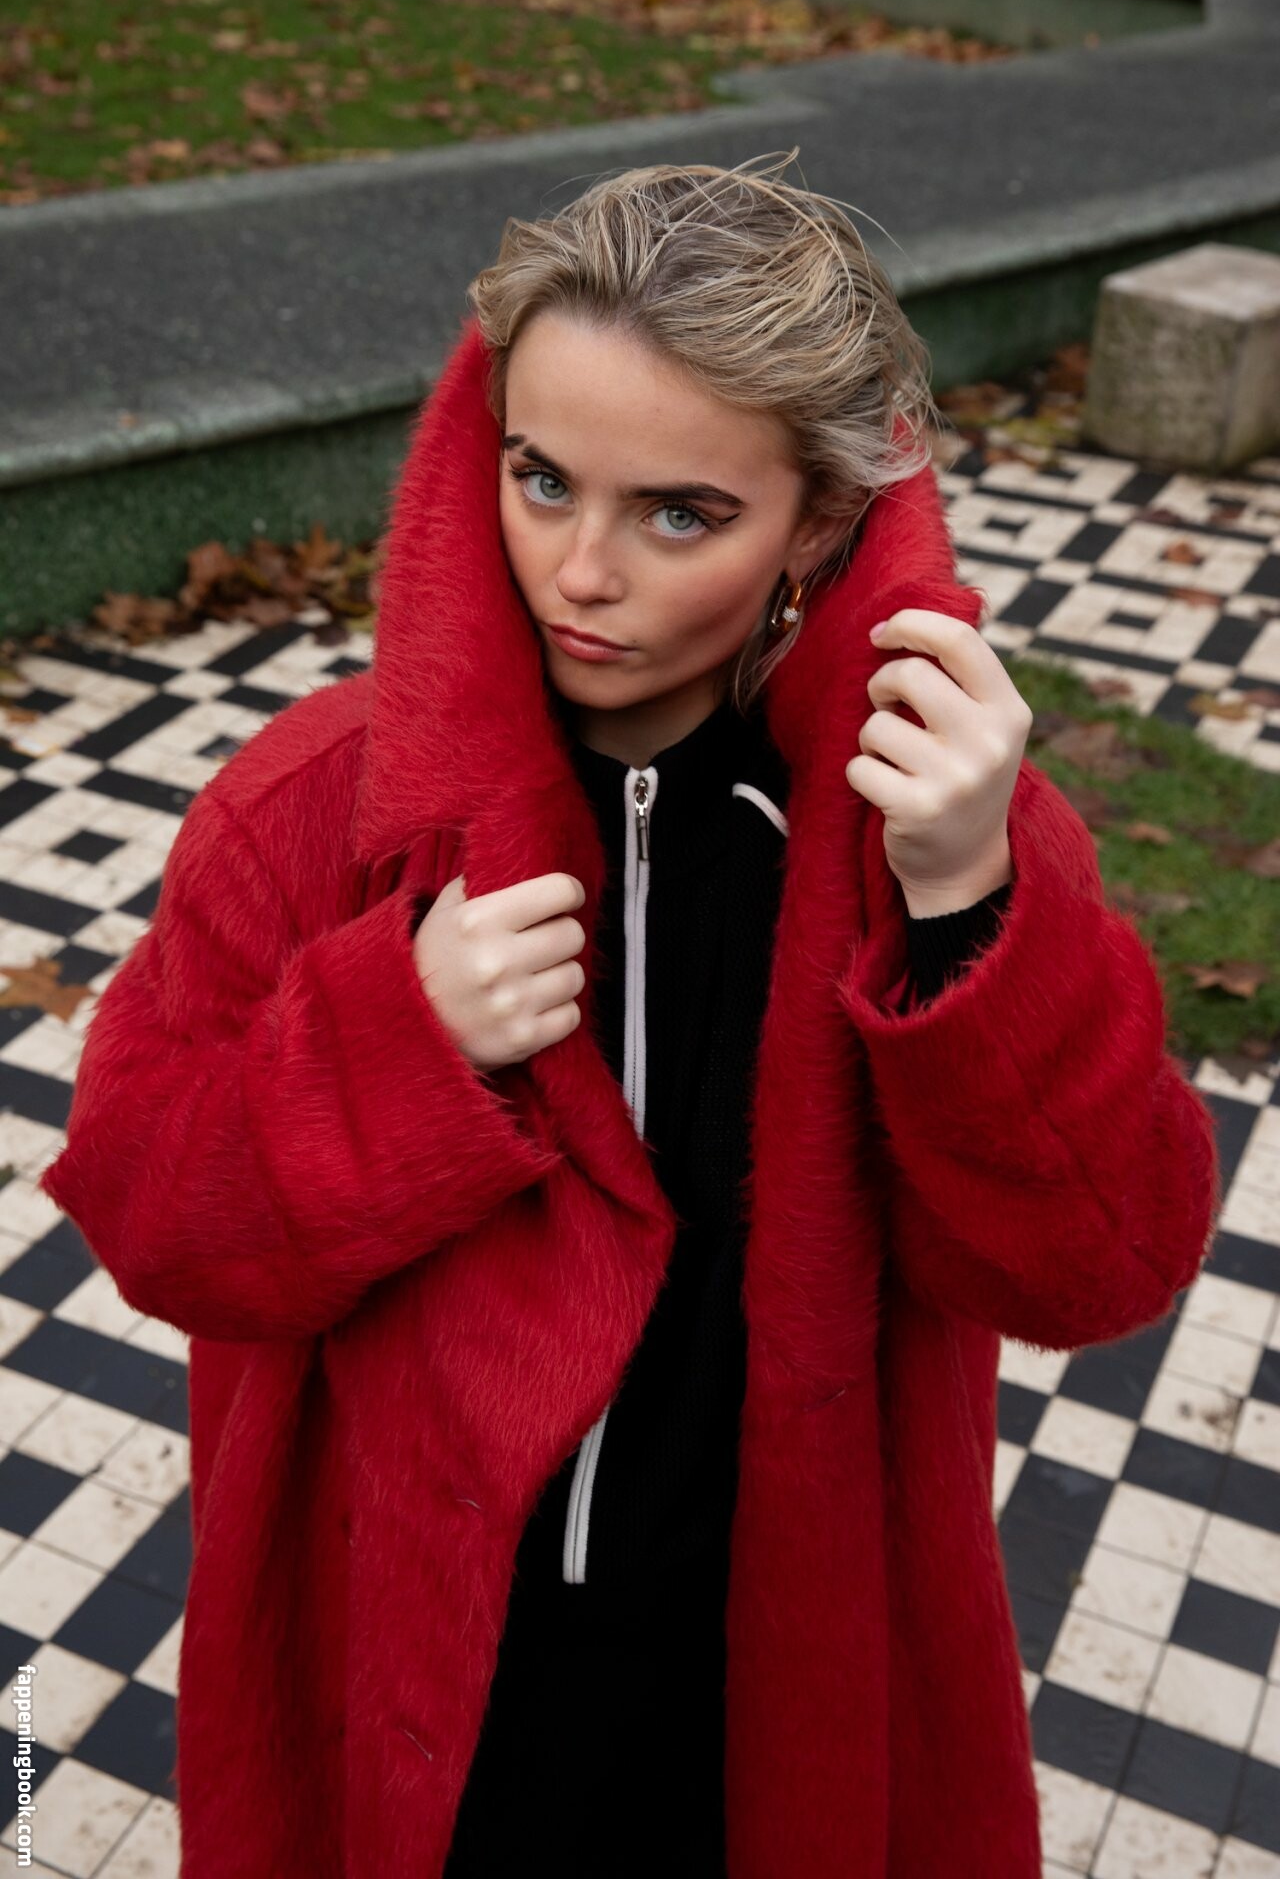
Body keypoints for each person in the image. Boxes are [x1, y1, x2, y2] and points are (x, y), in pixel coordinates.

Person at [39, 153, 1222, 1879]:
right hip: (405, 1679)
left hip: (767, 1696)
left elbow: (1102, 1267)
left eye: (682, 513)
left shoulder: (926, 830)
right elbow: (155, 1218)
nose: (579, 572)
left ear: (818, 519)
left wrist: (971, 909)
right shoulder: (314, 815)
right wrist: (394, 1046)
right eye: (540, 479)